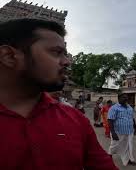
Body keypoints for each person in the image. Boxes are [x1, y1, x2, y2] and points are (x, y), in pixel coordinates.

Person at [0, 19, 118, 170]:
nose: (67, 62)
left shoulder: (76, 119)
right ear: (9, 56)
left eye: (66, 54)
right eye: (56, 52)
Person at [108, 93, 136, 166]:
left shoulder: (129, 107)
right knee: (114, 145)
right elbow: (110, 120)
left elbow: (132, 118)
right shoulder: (114, 108)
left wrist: (135, 127)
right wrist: (113, 132)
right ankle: (109, 156)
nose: (126, 99)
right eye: (124, 97)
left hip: (129, 131)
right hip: (118, 132)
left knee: (128, 146)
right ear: (119, 98)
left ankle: (128, 160)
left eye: (126, 97)